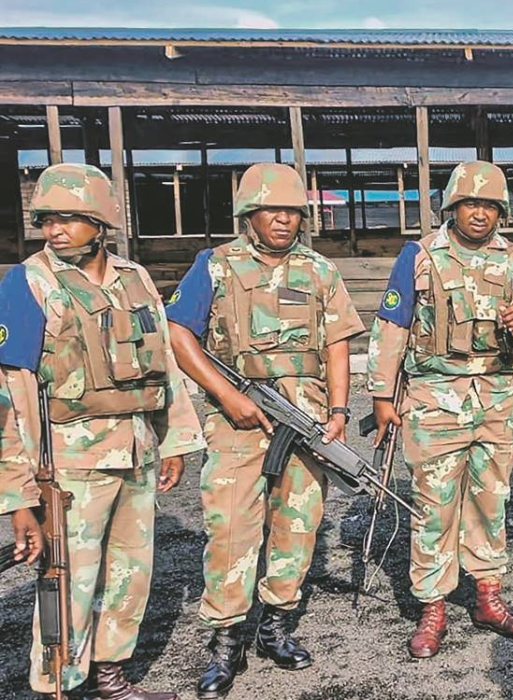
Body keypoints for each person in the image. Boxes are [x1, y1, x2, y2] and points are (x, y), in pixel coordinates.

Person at [0, 163, 205, 700]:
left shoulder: (134, 278)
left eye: (69, 218)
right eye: (47, 220)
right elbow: (11, 396)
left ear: (101, 221)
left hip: (136, 451)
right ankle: (58, 686)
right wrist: (18, 497)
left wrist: (175, 441)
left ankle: (111, 678)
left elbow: (164, 364)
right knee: (67, 583)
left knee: (130, 576)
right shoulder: (28, 283)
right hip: (69, 465)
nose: (55, 230)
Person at [165, 163, 364, 699]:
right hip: (238, 420)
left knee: (298, 525)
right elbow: (180, 334)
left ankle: (276, 623)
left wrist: (339, 411)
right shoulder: (216, 266)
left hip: (305, 419)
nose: (283, 219)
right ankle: (227, 638)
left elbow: (338, 343)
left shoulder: (320, 271)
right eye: (271, 210)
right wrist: (229, 397)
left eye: (292, 211)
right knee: (231, 528)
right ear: (248, 214)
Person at [368, 160, 513, 659]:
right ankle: (433, 607)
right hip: (433, 399)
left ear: (502, 211)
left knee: (491, 500)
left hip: (495, 400)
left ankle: (487, 597)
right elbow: (391, 327)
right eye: (471, 204)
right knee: (433, 505)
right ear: (452, 207)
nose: (480, 214)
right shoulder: (420, 256)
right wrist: (382, 397)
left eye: (490, 206)